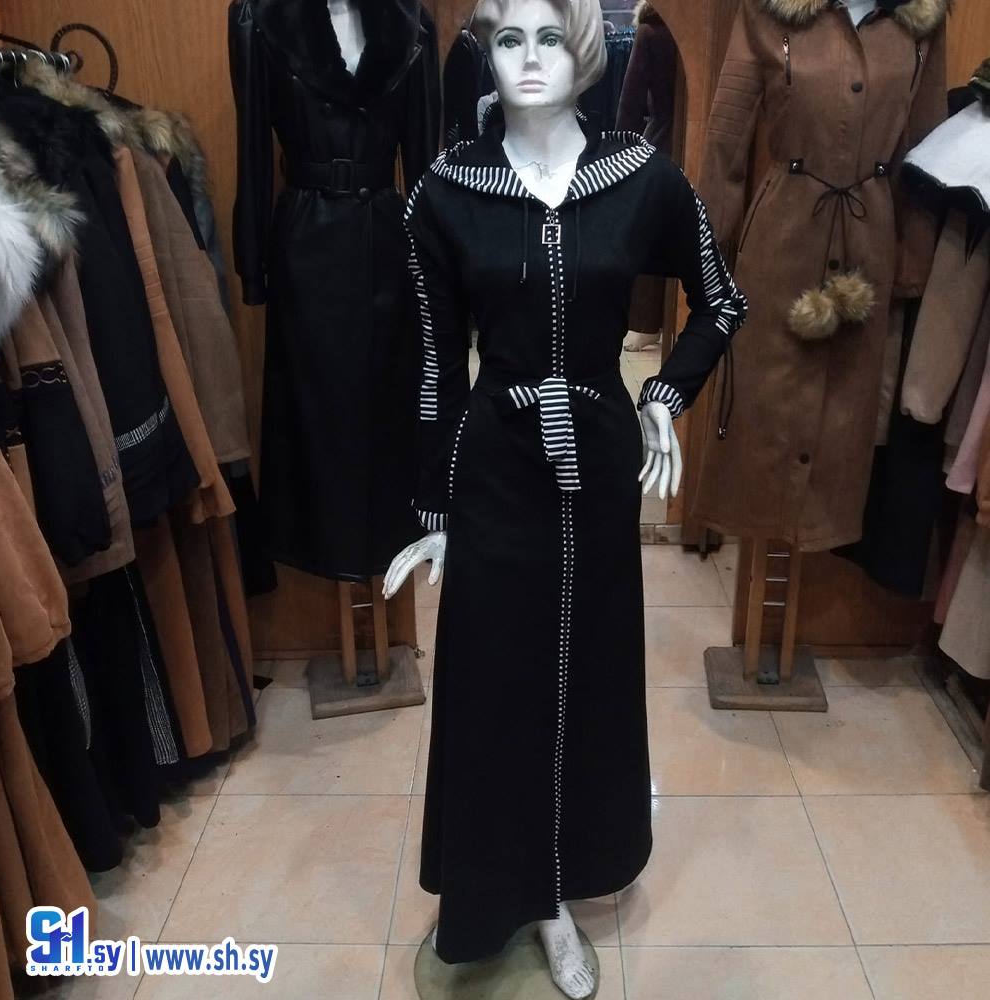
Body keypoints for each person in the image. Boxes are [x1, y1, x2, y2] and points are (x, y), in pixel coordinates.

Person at [383, 2, 747, 995]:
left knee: (583, 673)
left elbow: (721, 300)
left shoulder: (640, 176)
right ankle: (509, 893)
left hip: (598, 460)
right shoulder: (445, 193)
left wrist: (665, 397)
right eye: (510, 39)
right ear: (487, 52)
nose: (530, 60)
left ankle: (562, 885)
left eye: (551, 37)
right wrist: (435, 510)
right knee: (493, 682)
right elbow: (434, 365)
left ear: (584, 51)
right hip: (494, 463)